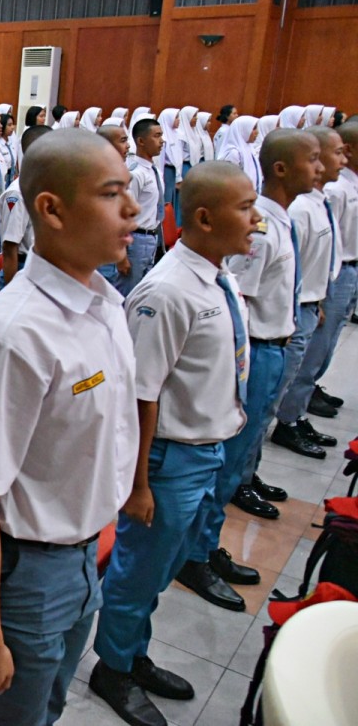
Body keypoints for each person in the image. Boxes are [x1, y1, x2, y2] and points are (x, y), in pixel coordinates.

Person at [0, 129, 140, 726]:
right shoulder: (14, 336)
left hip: (81, 557)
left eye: (128, 191)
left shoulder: (104, 302)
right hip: (24, 574)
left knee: (44, 710)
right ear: (51, 209)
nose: (132, 210)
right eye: (112, 195)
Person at [90, 162, 257, 726]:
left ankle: (133, 653)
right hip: (168, 459)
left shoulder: (217, 275)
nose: (256, 220)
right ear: (205, 218)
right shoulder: (165, 291)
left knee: (160, 570)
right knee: (138, 570)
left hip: (204, 449)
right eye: (245, 208)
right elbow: (141, 394)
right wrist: (136, 484)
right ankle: (112, 665)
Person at [176, 129, 321, 611]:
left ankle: (207, 545)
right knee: (226, 462)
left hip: (272, 347)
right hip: (254, 351)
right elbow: (240, 298)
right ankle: (194, 554)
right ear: (281, 167)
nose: (321, 167)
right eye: (314, 159)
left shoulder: (278, 221)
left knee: (237, 462)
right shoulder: (261, 232)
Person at [268, 126, 345, 458]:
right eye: (316, 158)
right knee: (279, 386)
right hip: (296, 308)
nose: (340, 160)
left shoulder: (318, 202)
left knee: (308, 365)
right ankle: (285, 424)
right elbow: (290, 267)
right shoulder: (299, 209)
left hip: (311, 301)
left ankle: (293, 417)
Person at [302, 122, 358, 416]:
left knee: (329, 341)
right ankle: (298, 403)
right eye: (338, 153)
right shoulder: (336, 190)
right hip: (335, 273)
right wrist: (322, 293)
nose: (343, 160)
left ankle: (310, 386)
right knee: (316, 344)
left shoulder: (345, 185)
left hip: (348, 268)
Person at [101, 117, 165, 297]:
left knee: (143, 292)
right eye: (157, 136)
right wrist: (122, 255)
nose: (162, 141)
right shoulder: (136, 173)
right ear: (141, 141)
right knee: (128, 294)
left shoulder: (154, 171)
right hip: (136, 238)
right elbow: (123, 214)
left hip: (151, 237)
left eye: (162, 136)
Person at [0, 125, 49, 286]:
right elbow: (10, 247)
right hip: (24, 267)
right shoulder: (18, 193)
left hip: (42, 265)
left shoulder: (43, 185)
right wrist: (11, 291)